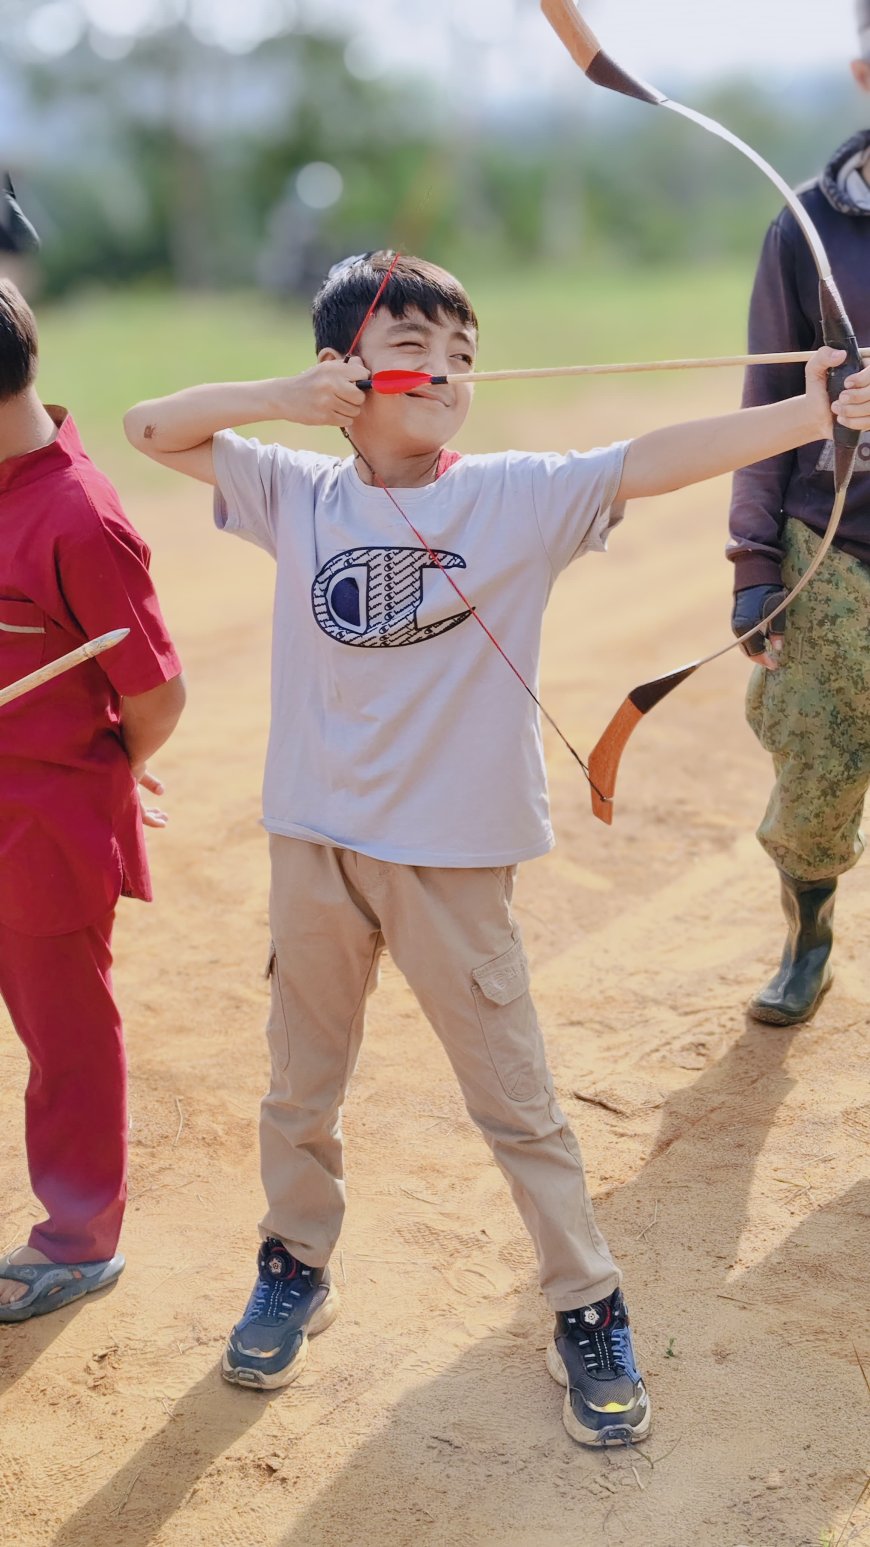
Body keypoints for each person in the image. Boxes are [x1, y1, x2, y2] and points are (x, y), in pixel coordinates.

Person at [125, 251, 870, 1447]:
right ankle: (294, 1259)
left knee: (517, 1101)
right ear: (346, 372)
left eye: (467, 357)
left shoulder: (513, 496)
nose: (450, 375)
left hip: (454, 858)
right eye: (419, 351)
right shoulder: (296, 492)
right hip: (313, 842)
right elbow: (148, 423)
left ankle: (585, 1299)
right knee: (297, 1082)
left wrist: (812, 408)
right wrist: (285, 395)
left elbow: (655, 460)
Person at [0, 280, 186, 1320]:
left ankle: (78, 1237)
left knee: (63, 1035)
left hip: (43, 829)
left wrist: (112, 764)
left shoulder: (77, 514)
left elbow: (156, 691)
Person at [728, 0, 870, 1027]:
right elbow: (766, 404)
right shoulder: (806, 228)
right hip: (829, 554)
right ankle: (807, 932)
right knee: (813, 769)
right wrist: (753, 568)